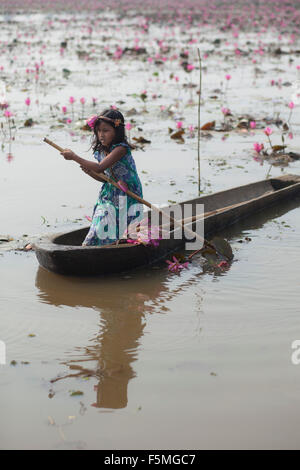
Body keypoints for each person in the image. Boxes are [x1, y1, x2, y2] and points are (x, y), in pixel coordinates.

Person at [60, 109, 143, 246]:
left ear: (117, 131)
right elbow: (105, 178)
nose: (101, 135)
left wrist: (74, 157)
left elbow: (99, 167)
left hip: (128, 193)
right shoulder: (101, 151)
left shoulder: (120, 149)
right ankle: (94, 246)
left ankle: (113, 247)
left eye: (106, 131)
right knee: (101, 223)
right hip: (110, 191)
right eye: (98, 131)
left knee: (120, 229)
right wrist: (91, 173)